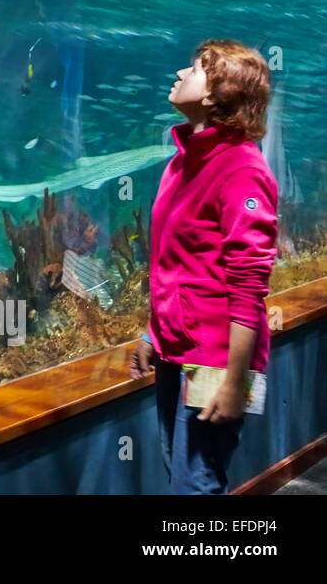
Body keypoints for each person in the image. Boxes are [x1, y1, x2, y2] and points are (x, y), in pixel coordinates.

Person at [128, 39, 278, 494]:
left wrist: (236, 381)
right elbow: (182, 266)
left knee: (196, 485)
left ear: (217, 94)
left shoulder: (241, 171)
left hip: (216, 360)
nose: (180, 74)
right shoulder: (182, 163)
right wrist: (154, 333)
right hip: (177, 351)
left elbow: (249, 287)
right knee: (180, 475)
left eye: (194, 70)